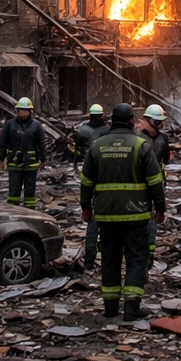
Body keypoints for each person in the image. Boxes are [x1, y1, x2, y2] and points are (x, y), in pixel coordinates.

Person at [80, 103, 165, 321]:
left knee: (110, 259)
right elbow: (155, 181)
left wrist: (86, 208)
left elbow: (86, 180)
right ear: (131, 120)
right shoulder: (142, 145)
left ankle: (110, 309)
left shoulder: (97, 146)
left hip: (106, 215)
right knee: (136, 259)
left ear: (111, 120)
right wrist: (160, 208)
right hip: (136, 215)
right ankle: (131, 308)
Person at [74, 105, 111, 270]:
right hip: (102, 175)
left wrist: (85, 205)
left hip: (93, 174)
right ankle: (97, 257)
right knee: (101, 224)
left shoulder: (85, 129)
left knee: (94, 223)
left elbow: (77, 146)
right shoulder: (106, 131)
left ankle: (91, 258)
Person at [0, 97, 46, 209]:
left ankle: (30, 211)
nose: (23, 113)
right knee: (14, 187)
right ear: (17, 111)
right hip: (14, 162)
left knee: (30, 189)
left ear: (30, 111)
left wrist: (43, 159)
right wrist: (1, 158)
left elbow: (41, 143)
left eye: (25, 110)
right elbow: (3, 142)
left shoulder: (36, 125)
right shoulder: (9, 124)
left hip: (31, 163)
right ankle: (14, 210)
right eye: (21, 110)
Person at [137, 103, 170, 265]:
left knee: (152, 220)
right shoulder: (136, 137)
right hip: (138, 183)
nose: (159, 125)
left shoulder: (163, 139)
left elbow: (166, 160)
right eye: (156, 122)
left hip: (156, 182)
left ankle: (149, 254)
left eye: (160, 122)